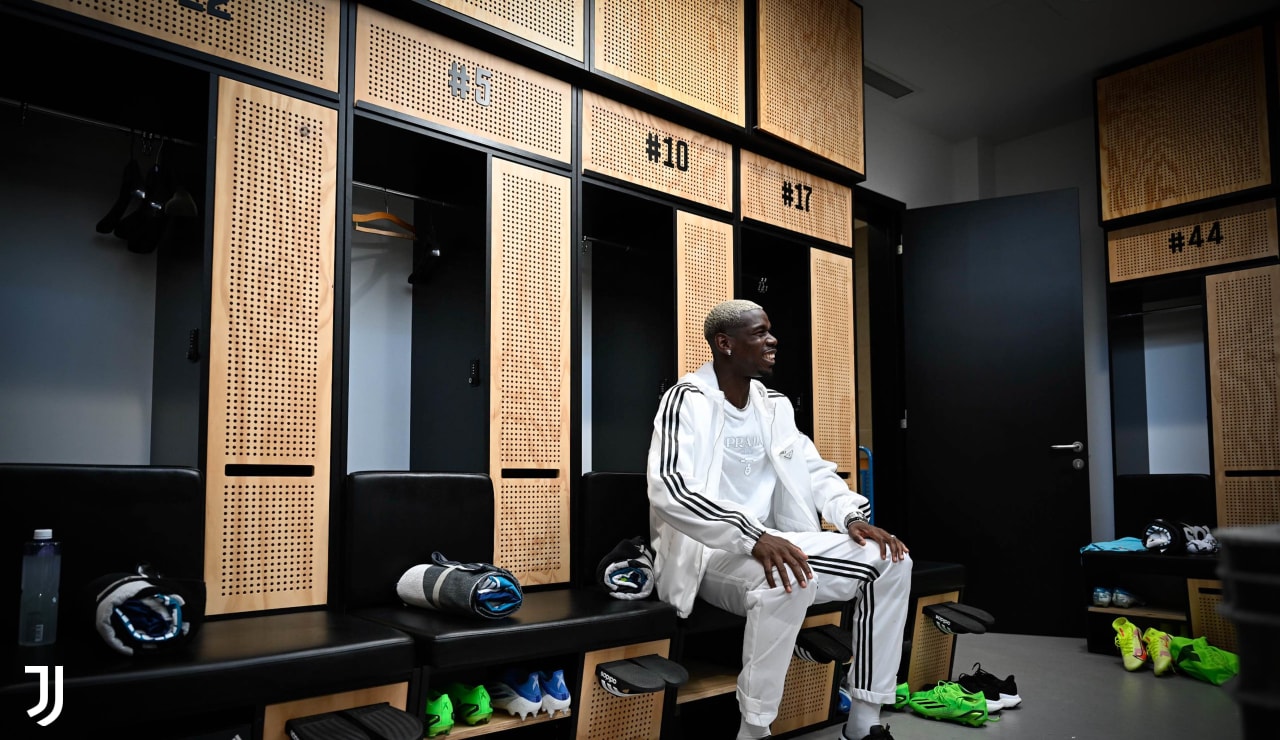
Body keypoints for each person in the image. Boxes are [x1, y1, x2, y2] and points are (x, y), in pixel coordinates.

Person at [646, 299, 912, 740]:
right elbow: (670, 487)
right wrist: (752, 535)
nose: (773, 340)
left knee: (891, 560)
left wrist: (848, 515)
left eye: (770, 331)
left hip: (776, 542)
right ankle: (754, 728)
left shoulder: (774, 405)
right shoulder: (686, 400)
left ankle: (864, 721)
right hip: (708, 555)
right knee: (788, 579)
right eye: (759, 333)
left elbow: (812, 470)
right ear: (725, 344)